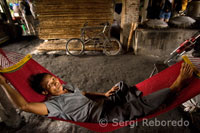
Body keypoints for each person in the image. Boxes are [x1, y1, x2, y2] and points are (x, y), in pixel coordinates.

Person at [0, 63, 194, 122]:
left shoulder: (66, 87)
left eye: (54, 79)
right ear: (45, 91)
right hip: (102, 115)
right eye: (51, 85)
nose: (56, 83)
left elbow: (83, 93)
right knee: (136, 107)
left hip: (103, 103)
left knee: (121, 85)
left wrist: (104, 94)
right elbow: (24, 106)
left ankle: (132, 98)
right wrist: (4, 83)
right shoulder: (53, 105)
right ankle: (175, 88)